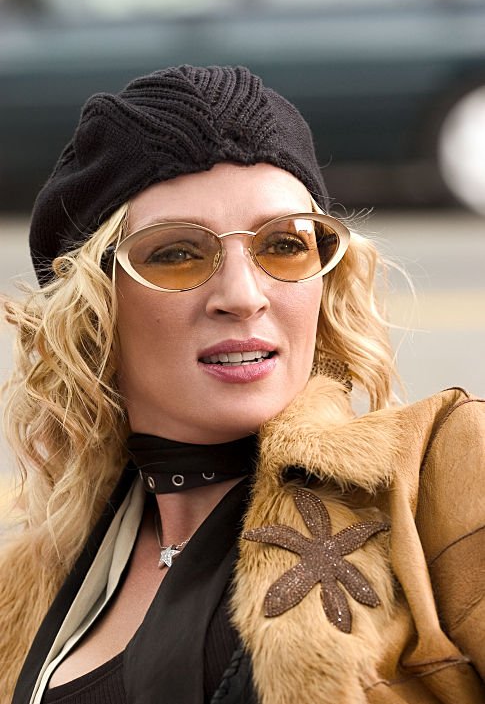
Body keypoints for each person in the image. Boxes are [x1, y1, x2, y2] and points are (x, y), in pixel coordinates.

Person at [0, 65, 484, 704]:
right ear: (92, 310)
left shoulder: (440, 475)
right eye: (176, 254)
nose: (243, 295)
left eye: (284, 245)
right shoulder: (31, 584)